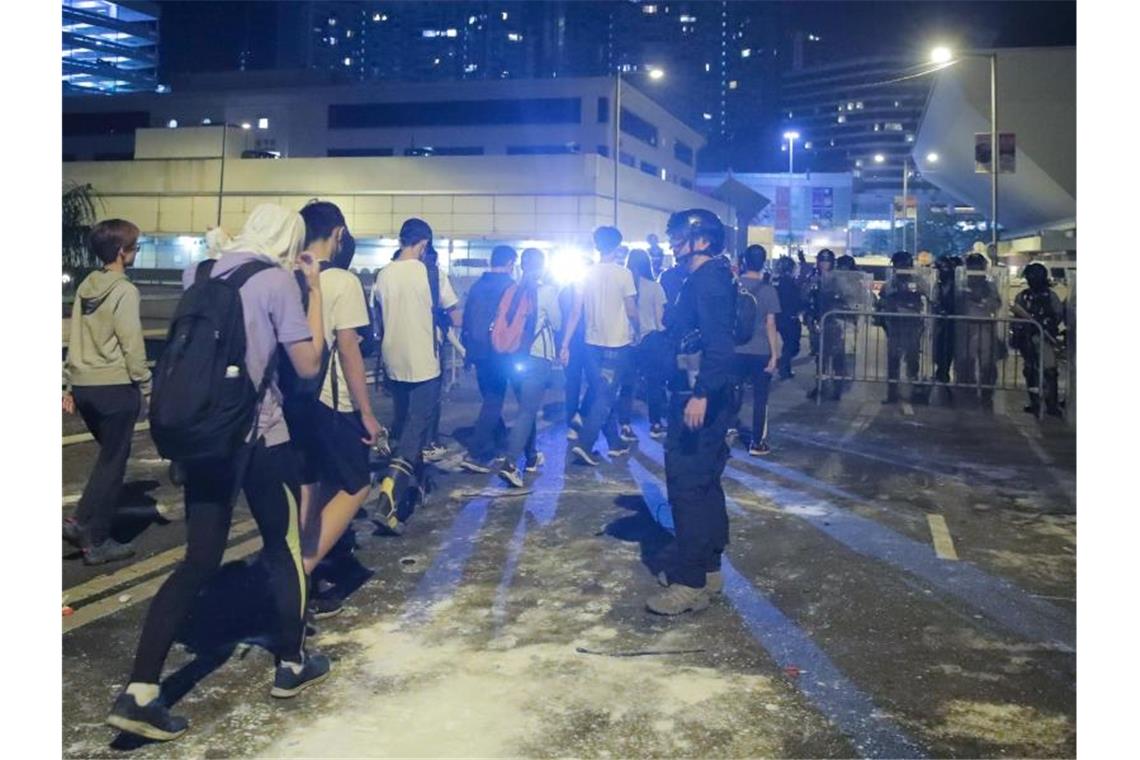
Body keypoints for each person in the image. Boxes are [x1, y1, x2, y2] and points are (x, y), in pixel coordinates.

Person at [107, 204, 330, 741]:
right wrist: (313, 288)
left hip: (205, 435)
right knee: (284, 548)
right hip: (258, 436)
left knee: (199, 559)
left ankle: (139, 691)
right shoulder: (277, 280)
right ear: (288, 240)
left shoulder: (200, 271)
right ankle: (293, 661)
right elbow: (307, 365)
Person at [285, 202, 383, 620]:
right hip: (330, 400)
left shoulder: (284, 274)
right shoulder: (341, 280)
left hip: (290, 401)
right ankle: (298, 576)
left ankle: (301, 565)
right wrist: (366, 411)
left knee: (309, 489)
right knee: (355, 484)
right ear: (338, 233)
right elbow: (348, 350)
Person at [647, 209, 737, 616]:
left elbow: (719, 346)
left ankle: (690, 583)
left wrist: (700, 394)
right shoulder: (708, 277)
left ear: (701, 240)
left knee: (686, 488)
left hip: (699, 397)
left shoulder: (707, 281)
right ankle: (709, 568)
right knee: (703, 484)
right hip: (701, 392)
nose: (672, 241)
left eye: (678, 235)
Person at [62, 219, 151, 565]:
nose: (136, 253)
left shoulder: (87, 285)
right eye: (135, 247)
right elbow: (131, 342)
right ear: (121, 253)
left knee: (107, 459)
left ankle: (82, 522)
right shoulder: (125, 291)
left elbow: (77, 337)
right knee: (113, 463)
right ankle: (92, 535)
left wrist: (70, 383)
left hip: (86, 387)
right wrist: (145, 384)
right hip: (114, 387)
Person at [372, 219, 460, 528]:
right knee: (416, 429)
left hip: (392, 361)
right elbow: (455, 314)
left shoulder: (383, 275)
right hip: (424, 362)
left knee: (403, 422)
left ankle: (413, 486)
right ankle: (389, 496)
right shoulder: (432, 273)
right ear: (423, 244)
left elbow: (378, 321)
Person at [559, 226, 639, 465]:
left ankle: (614, 443)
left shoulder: (584, 274)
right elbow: (632, 309)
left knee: (603, 392)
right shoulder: (624, 274)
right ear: (617, 247)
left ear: (596, 245)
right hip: (617, 343)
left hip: (590, 344)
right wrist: (638, 329)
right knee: (605, 396)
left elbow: (575, 313)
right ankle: (586, 443)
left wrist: (565, 344)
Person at [498, 248, 562, 487]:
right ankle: (511, 463)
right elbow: (556, 322)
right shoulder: (546, 292)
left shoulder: (512, 290)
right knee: (527, 411)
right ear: (542, 267)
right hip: (537, 358)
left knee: (527, 406)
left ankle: (532, 456)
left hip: (513, 358)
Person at [459, 245, 518, 472]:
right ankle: (477, 451)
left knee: (490, 397)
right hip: (499, 351)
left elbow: (467, 320)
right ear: (510, 263)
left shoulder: (477, 286)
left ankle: (499, 438)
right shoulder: (510, 287)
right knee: (494, 398)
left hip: (478, 351)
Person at [730, 245, 781, 455]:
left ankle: (728, 428)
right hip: (760, 350)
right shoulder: (769, 290)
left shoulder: (733, 286)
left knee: (733, 391)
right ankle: (757, 443)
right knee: (761, 398)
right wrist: (775, 355)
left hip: (735, 349)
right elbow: (771, 324)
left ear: (744, 262)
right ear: (764, 263)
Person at [618, 249, 670, 440]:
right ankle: (655, 424)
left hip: (626, 341)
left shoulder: (623, 287)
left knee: (626, 385)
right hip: (650, 340)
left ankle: (624, 425)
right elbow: (660, 321)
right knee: (653, 384)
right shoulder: (655, 287)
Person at [875, 251, 930, 404]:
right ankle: (892, 393)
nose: (900, 267)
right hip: (895, 324)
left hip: (912, 324)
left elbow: (928, 294)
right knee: (893, 358)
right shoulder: (891, 281)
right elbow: (884, 297)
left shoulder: (918, 280)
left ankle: (913, 390)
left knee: (912, 357)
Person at [1011, 262, 1065, 416]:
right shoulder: (1023, 296)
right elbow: (1017, 315)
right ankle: (1034, 402)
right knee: (1030, 371)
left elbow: (1057, 314)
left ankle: (1052, 404)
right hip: (1028, 338)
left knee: (1049, 370)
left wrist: (1047, 323)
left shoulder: (1050, 296)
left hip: (1044, 338)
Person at [956, 252, 1003, 408]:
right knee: (965, 362)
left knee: (987, 364)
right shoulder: (962, 284)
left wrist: (982, 299)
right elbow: (957, 304)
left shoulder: (989, 285)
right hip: (966, 326)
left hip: (985, 326)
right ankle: (967, 390)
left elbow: (996, 303)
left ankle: (986, 393)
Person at [932, 255, 962, 386]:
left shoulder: (957, 284)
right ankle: (941, 371)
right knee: (939, 348)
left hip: (953, 321)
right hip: (940, 321)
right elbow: (934, 300)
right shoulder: (938, 284)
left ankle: (945, 372)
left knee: (949, 347)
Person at [772, 256, 802, 380]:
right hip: (788, 318)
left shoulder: (774, 282)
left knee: (787, 346)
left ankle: (783, 365)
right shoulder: (790, 283)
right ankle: (784, 367)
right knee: (791, 346)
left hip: (776, 317)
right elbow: (796, 300)